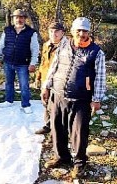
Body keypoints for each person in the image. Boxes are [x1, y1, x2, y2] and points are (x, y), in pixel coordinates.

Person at [41, 17, 105, 179]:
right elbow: (54, 66)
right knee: (57, 128)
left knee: (79, 133)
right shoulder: (63, 44)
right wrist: (47, 86)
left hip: (81, 99)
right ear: (72, 31)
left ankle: (79, 163)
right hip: (58, 94)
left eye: (85, 31)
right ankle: (62, 157)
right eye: (78, 30)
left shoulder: (96, 52)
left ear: (89, 32)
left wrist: (96, 99)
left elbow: (100, 77)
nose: (81, 34)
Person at [0, 9, 39, 112]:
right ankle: (8, 101)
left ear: (25, 19)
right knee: (9, 83)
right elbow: (1, 46)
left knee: (24, 85)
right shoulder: (7, 30)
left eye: (21, 17)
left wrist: (33, 63)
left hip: (23, 64)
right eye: (17, 17)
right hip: (8, 62)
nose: (19, 19)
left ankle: (26, 105)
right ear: (13, 19)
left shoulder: (31, 33)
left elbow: (35, 49)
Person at [34, 22, 66, 134]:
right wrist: (38, 77)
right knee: (46, 102)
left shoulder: (67, 47)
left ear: (63, 33)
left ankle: (56, 128)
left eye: (57, 31)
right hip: (45, 78)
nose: (54, 34)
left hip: (58, 80)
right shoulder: (46, 45)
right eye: (51, 31)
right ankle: (48, 125)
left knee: (56, 104)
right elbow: (43, 62)